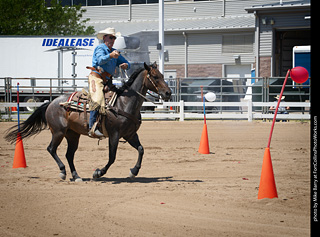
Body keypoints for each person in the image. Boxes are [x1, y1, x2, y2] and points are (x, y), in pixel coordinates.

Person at [88, 27, 130, 137]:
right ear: (104, 37)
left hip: (108, 80)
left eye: (114, 38)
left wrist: (126, 65)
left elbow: (126, 62)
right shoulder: (100, 48)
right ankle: (92, 126)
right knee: (97, 98)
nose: (112, 40)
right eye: (111, 37)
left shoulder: (114, 51)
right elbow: (100, 60)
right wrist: (111, 56)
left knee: (118, 98)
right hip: (96, 78)